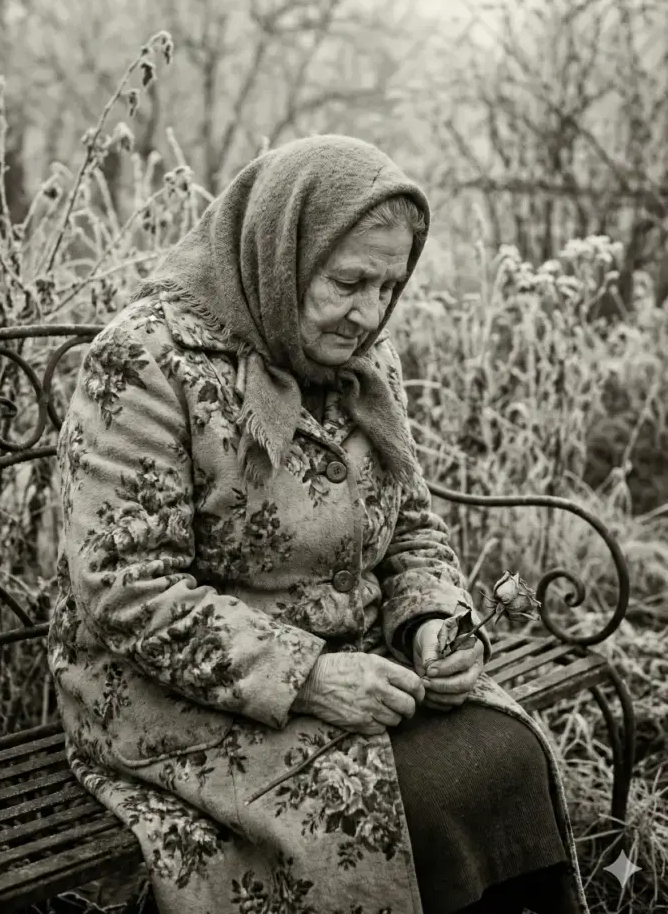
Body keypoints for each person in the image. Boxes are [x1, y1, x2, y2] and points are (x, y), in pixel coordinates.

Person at [48, 135, 589, 914]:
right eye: (347, 282)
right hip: (170, 692)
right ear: (282, 248)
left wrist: (432, 620)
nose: (367, 314)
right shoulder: (147, 361)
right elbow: (126, 587)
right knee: (413, 800)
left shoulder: (363, 359)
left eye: (387, 287)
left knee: (506, 754)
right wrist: (306, 677)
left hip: (360, 660)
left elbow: (411, 526)